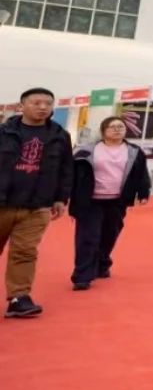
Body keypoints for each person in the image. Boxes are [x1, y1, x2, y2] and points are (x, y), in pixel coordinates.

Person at [0, 87, 73, 319]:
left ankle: (19, 298)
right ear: (21, 106)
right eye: (36, 103)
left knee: (25, 252)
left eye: (48, 103)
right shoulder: (4, 132)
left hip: (37, 206)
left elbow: (66, 169)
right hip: (3, 203)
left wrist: (61, 198)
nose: (43, 107)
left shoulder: (60, 136)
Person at [69, 117, 151, 290]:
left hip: (117, 201)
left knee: (109, 236)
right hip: (90, 201)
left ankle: (102, 264)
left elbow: (141, 173)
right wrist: (67, 195)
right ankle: (82, 276)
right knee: (88, 238)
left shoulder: (134, 151)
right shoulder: (87, 150)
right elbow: (73, 175)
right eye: (112, 127)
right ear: (103, 131)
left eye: (120, 126)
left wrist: (144, 192)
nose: (117, 129)